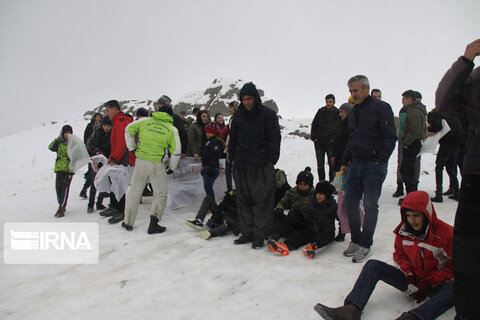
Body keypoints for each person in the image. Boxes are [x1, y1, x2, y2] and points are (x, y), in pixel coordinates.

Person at [314, 191, 454, 320]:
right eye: (408, 216)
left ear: (426, 213)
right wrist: (409, 274)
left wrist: (430, 282)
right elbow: (400, 256)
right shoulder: (403, 232)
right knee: (373, 266)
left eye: (416, 215)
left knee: (458, 289)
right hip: (412, 281)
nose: (412, 221)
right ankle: (351, 309)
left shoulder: (446, 234)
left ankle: (414, 317)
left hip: (436, 284)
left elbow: (456, 268)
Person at [435, 38, 480, 320]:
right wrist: (466, 60)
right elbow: (444, 101)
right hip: (476, 173)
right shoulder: (475, 79)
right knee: (467, 252)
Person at [341, 75, 397, 263]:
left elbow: (390, 137)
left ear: (366, 88)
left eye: (356, 90)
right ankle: (356, 240)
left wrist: (379, 161)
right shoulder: (354, 111)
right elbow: (352, 139)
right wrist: (345, 161)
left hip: (373, 166)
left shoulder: (382, 108)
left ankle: (366, 244)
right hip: (356, 164)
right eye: (350, 91)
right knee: (350, 203)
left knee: (370, 205)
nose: (353, 95)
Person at [229, 82, 281, 249]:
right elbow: (234, 138)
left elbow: (275, 139)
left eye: (249, 98)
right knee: (244, 200)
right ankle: (247, 232)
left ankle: (260, 235)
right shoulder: (238, 115)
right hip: (242, 164)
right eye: (243, 99)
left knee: (262, 202)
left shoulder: (268, 115)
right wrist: (232, 157)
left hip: (260, 165)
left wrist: (272, 159)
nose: (246, 102)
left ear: (255, 98)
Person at [122, 101, 181, 233]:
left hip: (141, 160)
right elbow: (176, 151)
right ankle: (153, 223)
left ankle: (128, 222)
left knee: (134, 191)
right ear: (170, 115)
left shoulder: (144, 121)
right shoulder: (172, 129)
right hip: (157, 163)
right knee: (160, 194)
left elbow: (128, 129)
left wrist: (132, 148)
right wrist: (171, 167)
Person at [268, 180, 337, 256]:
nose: (318, 196)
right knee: (294, 213)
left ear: (327, 195)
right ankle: (276, 235)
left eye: (321, 194)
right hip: (310, 224)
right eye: (317, 193)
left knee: (301, 235)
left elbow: (334, 228)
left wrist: (316, 244)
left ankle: (286, 246)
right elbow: (308, 215)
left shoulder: (332, 207)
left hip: (320, 232)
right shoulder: (314, 202)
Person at [185, 123, 225, 230]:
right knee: (209, 193)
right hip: (208, 169)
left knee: (209, 194)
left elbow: (213, 156)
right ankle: (211, 215)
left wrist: (208, 169)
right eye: (206, 132)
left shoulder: (215, 143)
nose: (207, 134)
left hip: (210, 170)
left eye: (209, 132)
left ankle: (204, 216)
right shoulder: (210, 142)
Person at [101, 100, 136, 224]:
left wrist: (116, 158)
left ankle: (122, 210)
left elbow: (122, 142)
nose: (107, 113)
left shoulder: (122, 120)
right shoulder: (116, 121)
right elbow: (115, 143)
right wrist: (111, 156)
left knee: (120, 183)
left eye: (108, 110)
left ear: (115, 109)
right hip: (119, 158)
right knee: (114, 181)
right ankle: (115, 206)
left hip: (124, 158)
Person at [427, 109, 464, 202]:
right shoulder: (454, 116)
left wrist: (429, 130)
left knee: (439, 167)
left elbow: (437, 126)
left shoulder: (435, 114)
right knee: (450, 167)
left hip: (446, 143)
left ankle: (438, 194)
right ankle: (457, 192)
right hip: (457, 144)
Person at [399, 90, 427, 199]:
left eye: (404, 99)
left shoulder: (414, 111)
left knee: (407, 171)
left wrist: (406, 142)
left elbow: (414, 130)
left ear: (409, 99)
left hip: (411, 145)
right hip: (414, 144)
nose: (402, 102)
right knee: (408, 170)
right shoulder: (416, 110)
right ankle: (411, 195)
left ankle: (411, 196)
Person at [310, 94, 341, 181]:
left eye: (330, 102)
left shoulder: (338, 113)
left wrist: (333, 139)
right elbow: (314, 124)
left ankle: (332, 183)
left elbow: (339, 128)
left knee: (332, 164)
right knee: (320, 165)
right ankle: (322, 182)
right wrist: (314, 138)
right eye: (327, 102)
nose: (328, 104)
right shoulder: (321, 111)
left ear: (334, 102)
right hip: (319, 142)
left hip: (331, 143)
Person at [86, 116, 112, 212]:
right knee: (94, 182)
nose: (106, 128)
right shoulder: (96, 133)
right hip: (96, 161)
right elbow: (89, 144)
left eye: (108, 126)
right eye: (105, 125)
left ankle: (99, 203)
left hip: (106, 161)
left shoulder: (112, 134)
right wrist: (96, 151)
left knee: (104, 182)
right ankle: (90, 205)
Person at [49, 125, 74, 217]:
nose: (68, 134)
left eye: (69, 132)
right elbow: (51, 147)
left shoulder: (73, 143)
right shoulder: (59, 142)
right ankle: (61, 203)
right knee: (58, 188)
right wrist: (58, 139)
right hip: (59, 168)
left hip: (69, 169)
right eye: (66, 132)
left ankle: (61, 207)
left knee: (65, 188)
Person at [80, 112, 103, 199]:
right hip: (91, 149)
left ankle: (85, 189)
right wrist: (87, 147)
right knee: (92, 170)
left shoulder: (102, 126)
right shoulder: (90, 126)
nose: (98, 118)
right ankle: (85, 189)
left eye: (100, 117)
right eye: (97, 116)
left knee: (93, 170)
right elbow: (86, 136)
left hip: (99, 151)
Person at [223, 101, 238, 192]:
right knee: (228, 173)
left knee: (235, 174)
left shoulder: (237, 118)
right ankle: (230, 192)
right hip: (229, 149)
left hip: (234, 151)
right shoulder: (232, 118)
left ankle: (237, 193)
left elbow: (235, 137)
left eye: (230, 107)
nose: (229, 109)